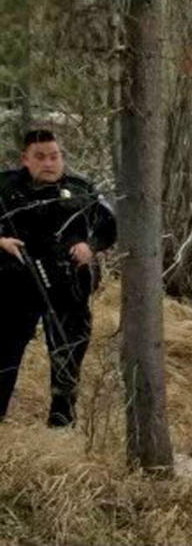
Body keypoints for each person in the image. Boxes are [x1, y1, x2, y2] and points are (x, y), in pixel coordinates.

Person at [0, 129, 116, 426]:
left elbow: (108, 226)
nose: (49, 163)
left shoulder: (80, 189)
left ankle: (61, 420)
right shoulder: (5, 187)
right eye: (40, 157)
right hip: (14, 284)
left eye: (55, 156)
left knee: (68, 350)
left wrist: (89, 246)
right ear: (25, 159)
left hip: (67, 285)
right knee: (5, 351)